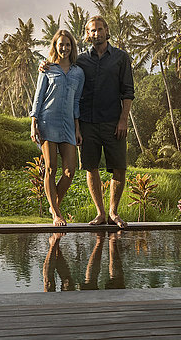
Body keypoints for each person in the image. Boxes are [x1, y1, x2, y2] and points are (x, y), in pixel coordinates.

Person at [40, 16, 134, 228]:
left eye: (100, 29)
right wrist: (43, 64)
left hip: (113, 121)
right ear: (87, 34)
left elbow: (128, 91)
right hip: (87, 123)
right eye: (92, 30)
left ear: (106, 31)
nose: (96, 33)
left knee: (119, 168)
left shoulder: (121, 57)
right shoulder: (80, 60)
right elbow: (60, 65)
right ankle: (101, 213)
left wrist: (123, 120)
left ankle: (113, 212)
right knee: (90, 168)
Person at [30, 29, 85, 226]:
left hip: (68, 125)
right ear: (55, 46)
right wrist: (33, 123)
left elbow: (77, 101)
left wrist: (77, 129)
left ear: (72, 47)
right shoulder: (47, 69)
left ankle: (55, 206)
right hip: (47, 122)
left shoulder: (79, 73)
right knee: (51, 168)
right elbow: (38, 97)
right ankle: (55, 214)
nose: (64, 48)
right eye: (61, 44)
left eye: (68, 44)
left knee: (70, 171)